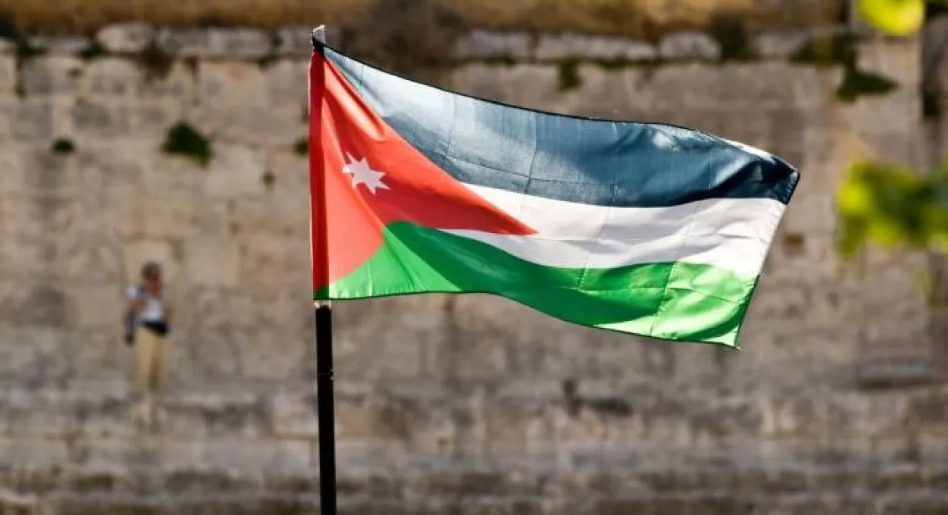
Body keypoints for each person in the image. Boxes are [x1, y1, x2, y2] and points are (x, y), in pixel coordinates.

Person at [125, 261, 173, 395]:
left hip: (161, 329)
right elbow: (135, 308)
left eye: (158, 276)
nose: (156, 280)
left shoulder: (165, 292)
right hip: (145, 328)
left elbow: (169, 314)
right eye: (153, 276)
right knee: (144, 365)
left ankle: (156, 395)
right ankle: (141, 396)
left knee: (160, 367)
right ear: (146, 277)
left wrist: (161, 298)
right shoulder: (136, 290)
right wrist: (148, 293)